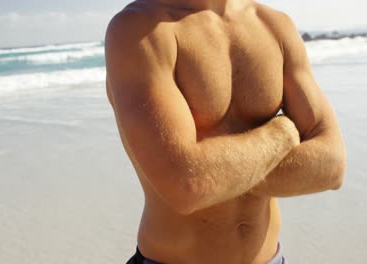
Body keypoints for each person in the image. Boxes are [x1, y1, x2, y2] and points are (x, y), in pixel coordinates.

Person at [104, 0, 346, 263]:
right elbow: (187, 185)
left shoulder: (275, 25)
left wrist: (217, 174)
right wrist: (282, 132)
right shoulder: (137, 32)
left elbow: (332, 164)